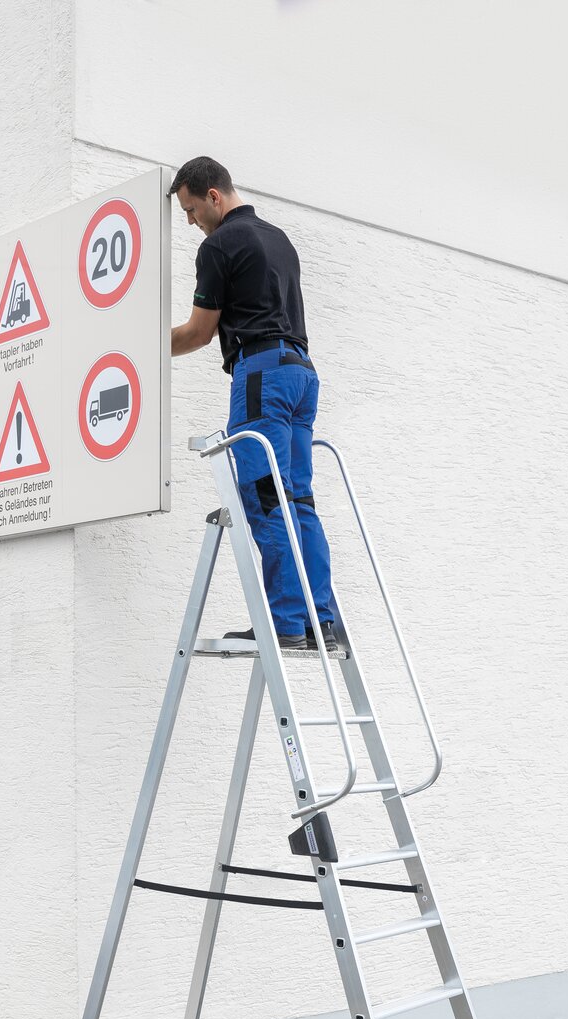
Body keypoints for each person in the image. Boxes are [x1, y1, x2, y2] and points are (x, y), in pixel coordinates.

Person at [169, 156, 336, 650]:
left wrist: (140, 345)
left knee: (265, 498)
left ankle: (284, 624)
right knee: (298, 498)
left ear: (214, 197)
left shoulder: (220, 245)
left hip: (262, 374)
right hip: (302, 375)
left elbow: (199, 333)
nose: (190, 222)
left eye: (192, 210)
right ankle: (319, 622)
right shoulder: (279, 239)